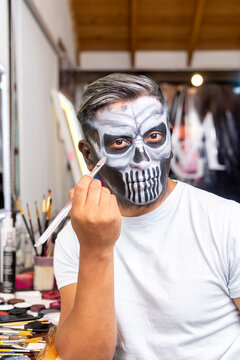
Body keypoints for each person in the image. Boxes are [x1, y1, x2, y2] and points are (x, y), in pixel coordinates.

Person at [54, 73, 240, 360]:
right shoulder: (76, 238)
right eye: (120, 143)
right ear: (89, 156)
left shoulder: (227, 222)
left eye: (154, 136)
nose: (143, 159)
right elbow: (82, 356)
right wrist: (96, 249)